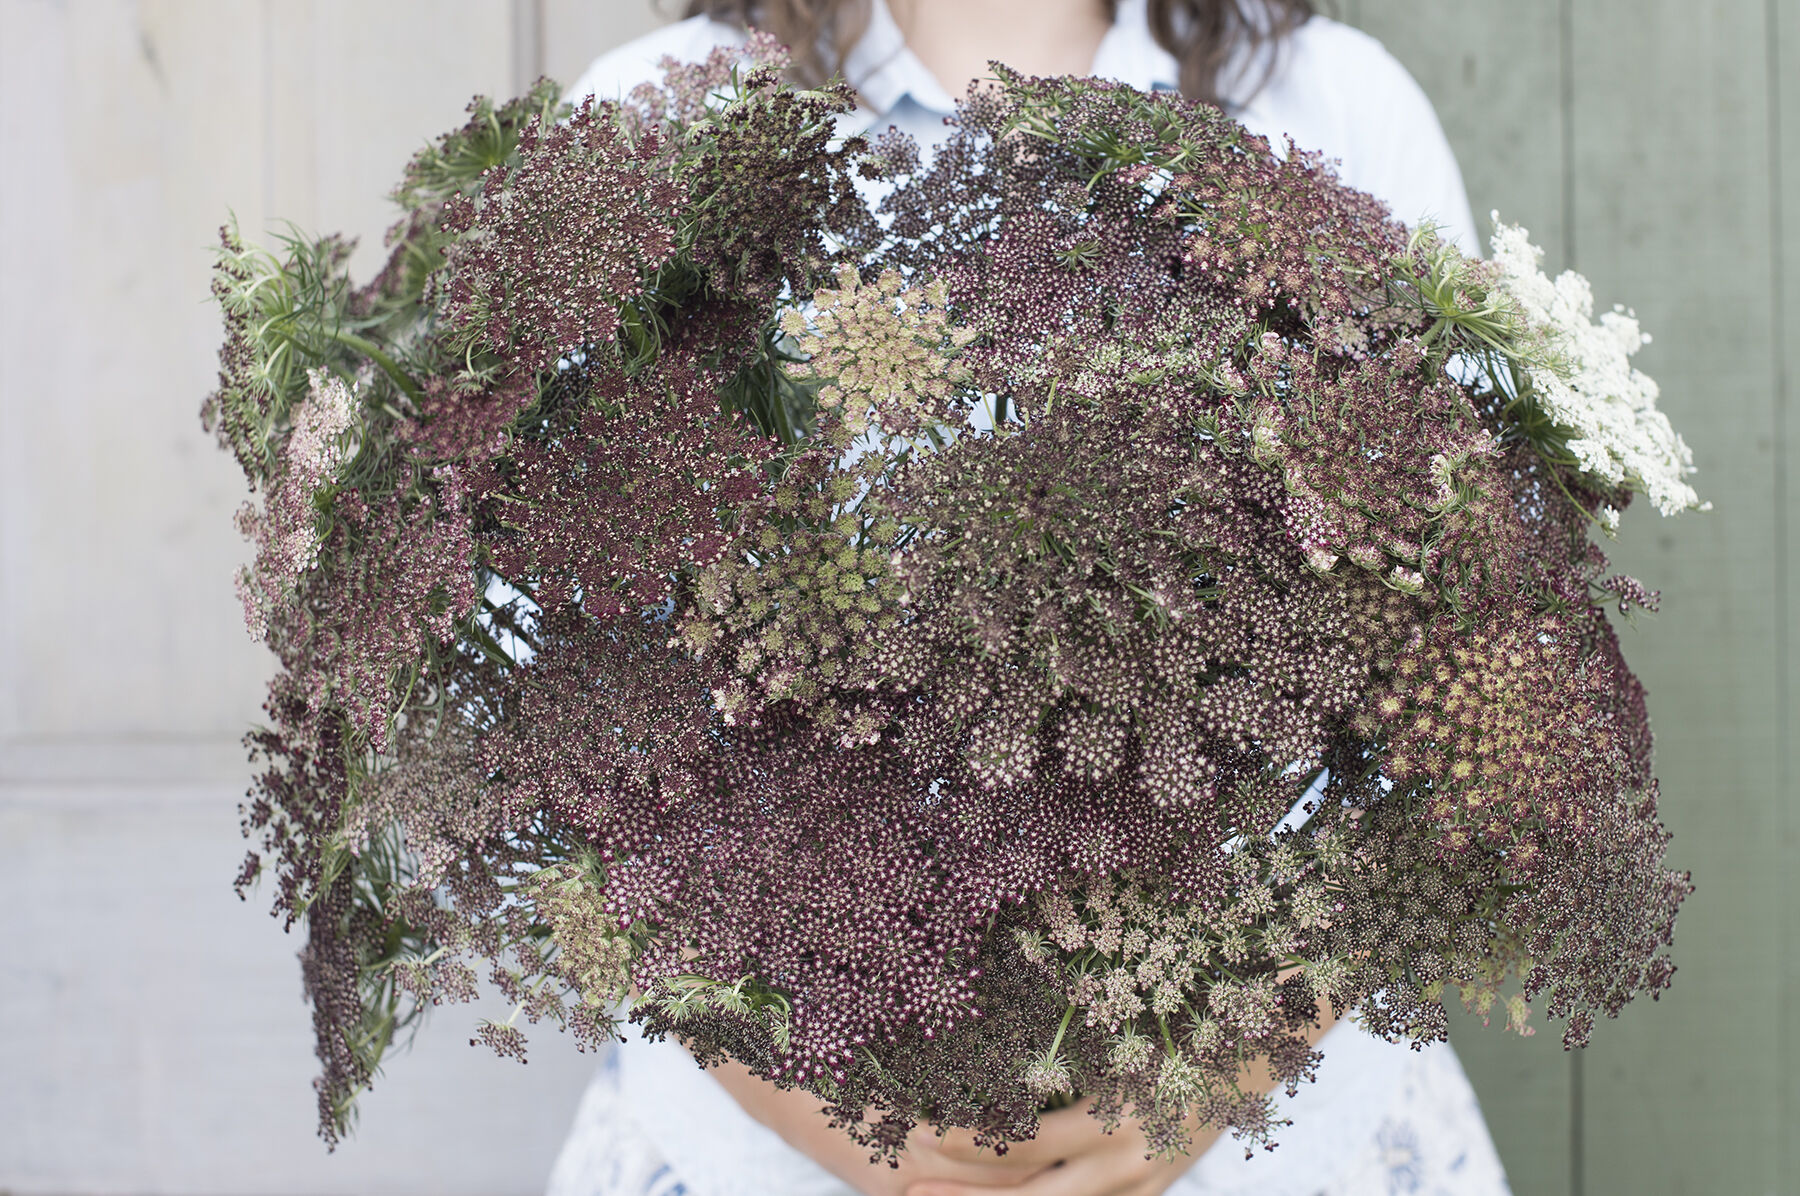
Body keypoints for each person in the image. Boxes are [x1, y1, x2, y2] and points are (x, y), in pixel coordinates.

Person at [545, 3, 1506, 1194]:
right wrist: (816, 1105)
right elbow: (553, 720)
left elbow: (1476, 652)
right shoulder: (661, 105)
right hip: (773, 1139)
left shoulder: (1331, 103)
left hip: (1281, 1139)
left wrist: (1231, 1061)